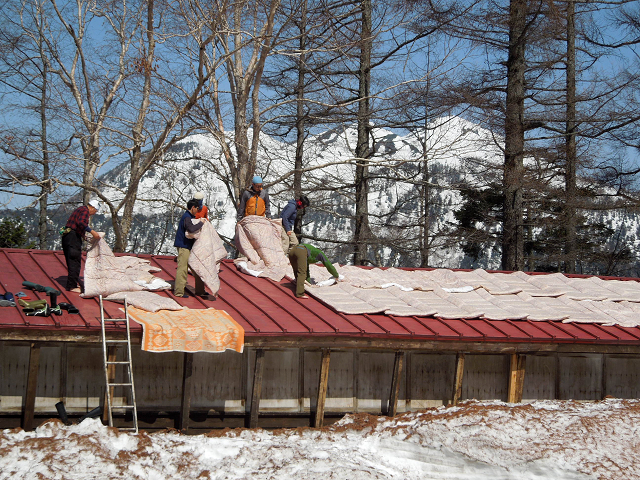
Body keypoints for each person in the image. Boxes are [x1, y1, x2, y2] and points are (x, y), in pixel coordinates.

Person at [61, 199, 102, 293]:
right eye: (95, 211)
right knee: (75, 261)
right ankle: (71, 286)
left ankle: (73, 283)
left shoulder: (80, 209)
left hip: (67, 237)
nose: (94, 213)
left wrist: (84, 236)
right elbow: (81, 223)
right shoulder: (85, 211)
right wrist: (92, 232)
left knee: (71, 260)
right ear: (92, 207)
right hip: (73, 238)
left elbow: (77, 224)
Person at [174, 198, 208, 298]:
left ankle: (200, 290)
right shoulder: (187, 217)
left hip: (188, 246)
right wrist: (201, 223)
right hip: (184, 246)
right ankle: (179, 292)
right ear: (193, 207)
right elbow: (191, 229)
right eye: (197, 208)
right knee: (183, 269)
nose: (198, 211)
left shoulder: (189, 216)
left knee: (196, 268)